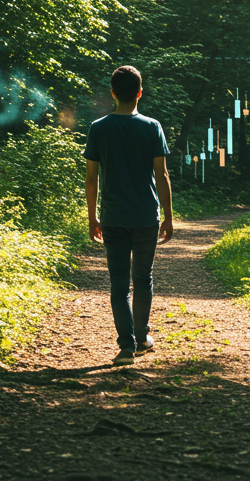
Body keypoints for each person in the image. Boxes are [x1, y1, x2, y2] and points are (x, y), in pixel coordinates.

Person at [83, 65, 174, 365]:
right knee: (143, 278)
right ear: (139, 93)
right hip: (147, 215)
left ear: (113, 93)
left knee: (119, 282)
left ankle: (126, 346)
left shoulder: (99, 127)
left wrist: (91, 217)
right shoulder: (152, 126)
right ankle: (141, 337)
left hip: (112, 216)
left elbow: (92, 178)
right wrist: (168, 216)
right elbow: (161, 175)